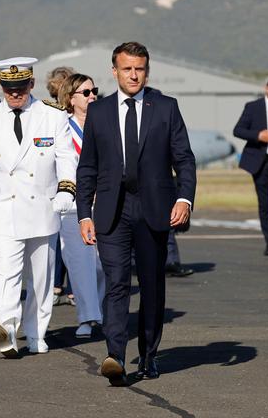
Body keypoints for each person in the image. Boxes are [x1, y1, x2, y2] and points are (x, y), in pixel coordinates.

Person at [76, 42, 196, 385]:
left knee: (151, 286)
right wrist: (84, 214)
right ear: (114, 71)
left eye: (139, 68)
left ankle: (148, 355)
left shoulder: (166, 108)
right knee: (115, 284)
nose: (133, 74)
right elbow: (88, 167)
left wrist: (184, 199)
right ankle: (115, 355)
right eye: (127, 68)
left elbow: (184, 159)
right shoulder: (98, 113)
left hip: (154, 209)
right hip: (113, 209)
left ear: (147, 70)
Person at [0, 57, 76, 358]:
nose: (14, 94)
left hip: (42, 207)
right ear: (1, 87)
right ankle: (5, 331)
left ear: (31, 84)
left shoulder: (52, 116)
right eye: (8, 89)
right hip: (4, 210)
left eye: (20, 88)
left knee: (41, 278)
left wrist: (66, 188)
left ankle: (37, 333)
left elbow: (66, 157)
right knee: (7, 273)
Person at [56, 73, 105, 338]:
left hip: (105, 203)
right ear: (71, 98)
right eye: (85, 93)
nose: (92, 96)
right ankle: (87, 317)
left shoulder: (104, 122)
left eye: (94, 91)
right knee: (79, 263)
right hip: (74, 206)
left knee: (102, 263)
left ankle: (101, 311)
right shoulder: (62, 126)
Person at [233, 75, 268, 255]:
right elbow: (238, 130)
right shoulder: (253, 107)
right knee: (265, 205)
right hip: (262, 163)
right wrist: (258, 136)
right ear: (267, 89)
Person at [46, 65, 76, 306]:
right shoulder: (48, 115)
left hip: (76, 181)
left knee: (74, 236)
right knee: (56, 236)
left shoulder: (81, 115)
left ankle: (73, 286)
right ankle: (56, 284)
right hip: (53, 182)